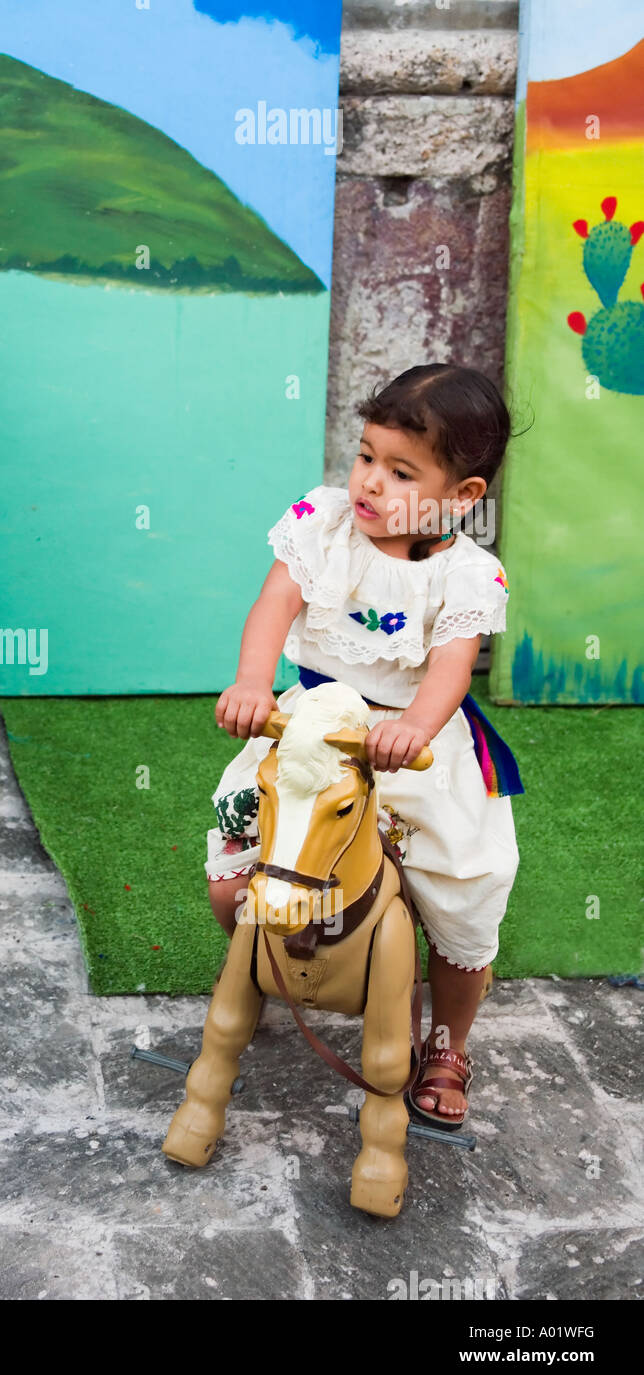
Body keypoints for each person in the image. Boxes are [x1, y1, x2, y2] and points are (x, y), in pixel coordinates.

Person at [205, 364, 521, 1129]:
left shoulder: (470, 575)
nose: (371, 482)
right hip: (314, 726)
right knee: (235, 867)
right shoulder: (324, 522)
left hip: (411, 744)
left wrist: (414, 724)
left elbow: (450, 665)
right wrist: (254, 681)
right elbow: (275, 602)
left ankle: (447, 1040)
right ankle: (284, 959)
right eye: (366, 455)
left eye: (401, 471)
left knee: (466, 883)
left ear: (462, 495)